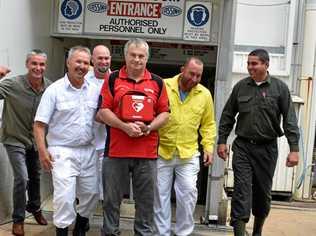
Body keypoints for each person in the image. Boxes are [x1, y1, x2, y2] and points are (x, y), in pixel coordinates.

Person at [217, 49, 300, 236]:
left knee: (263, 195)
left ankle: (257, 231)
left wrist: (294, 149)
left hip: (267, 149)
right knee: (241, 191)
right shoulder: (240, 87)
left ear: (266, 64)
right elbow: (228, 115)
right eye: (248, 64)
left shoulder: (280, 88)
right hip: (243, 147)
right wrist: (222, 141)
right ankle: (239, 233)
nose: (250, 67)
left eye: (254, 64)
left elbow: (290, 120)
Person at [97, 38, 169, 236]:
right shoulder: (112, 79)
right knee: (111, 201)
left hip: (147, 154)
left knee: (146, 203)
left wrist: (149, 127)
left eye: (141, 56)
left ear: (147, 58)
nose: (137, 60)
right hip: (116, 151)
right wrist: (124, 127)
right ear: (125, 55)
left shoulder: (157, 82)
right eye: (133, 55)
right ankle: (110, 233)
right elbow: (103, 111)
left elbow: (165, 113)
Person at [33, 46, 99, 236]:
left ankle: (80, 227)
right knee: (64, 197)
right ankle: (61, 232)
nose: (82, 66)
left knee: (92, 193)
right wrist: (42, 151)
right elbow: (39, 124)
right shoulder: (54, 90)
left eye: (86, 63)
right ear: (68, 63)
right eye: (78, 62)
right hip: (61, 151)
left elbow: (103, 116)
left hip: (88, 150)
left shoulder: (94, 90)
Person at [154, 57, 217, 236]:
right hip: (161, 151)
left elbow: (208, 124)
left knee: (188, 194)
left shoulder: (204, 94)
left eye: (199, 76)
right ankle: (161, 233)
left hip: (188, 153)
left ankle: (183, 232)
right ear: (182, 69)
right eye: (191, 74)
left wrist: (208, 147)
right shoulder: (163, 86)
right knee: (160, 196)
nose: (195, 79)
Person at [0, 50, 50, 236]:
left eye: (41, 64)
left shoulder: (50, 88)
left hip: (36, 140)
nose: (38, 68)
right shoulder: (12, 84)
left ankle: (35, 208)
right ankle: (18, 219)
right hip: (14, 138)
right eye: (34, 64)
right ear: (27, 64)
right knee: (22, 178)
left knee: (35, 176)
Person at [85, 45, 112, 200]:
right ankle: (83, 218)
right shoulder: (82, 79)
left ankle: (104, 220)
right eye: (100, 58)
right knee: (85, 185)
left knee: (106, 185)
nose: (103, 61)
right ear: (92, 60)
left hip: (107, 143)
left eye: (106, 58)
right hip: (84, 142)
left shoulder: (116, 79)